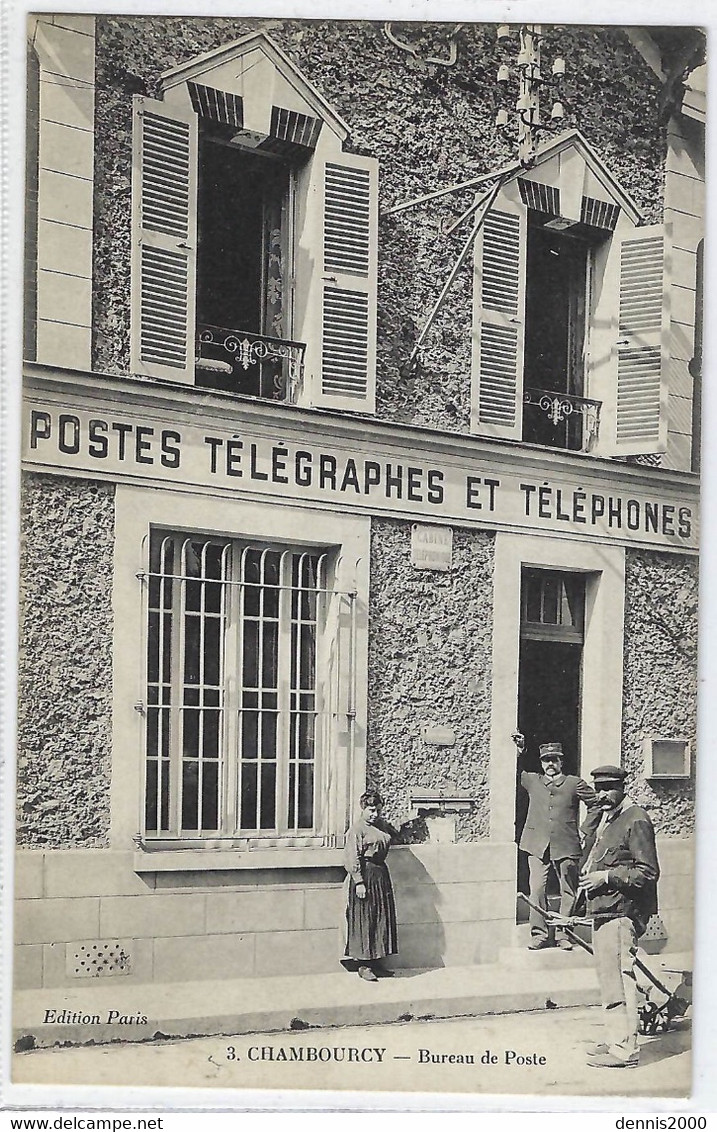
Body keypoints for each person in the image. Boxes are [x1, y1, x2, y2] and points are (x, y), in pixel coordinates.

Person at [578, 764, 660, 1069]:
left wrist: (607, 877)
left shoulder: (636, 819)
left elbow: (647, 873)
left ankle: (624, 1050)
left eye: (609, 788)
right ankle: (617, 1037)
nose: (602, 795)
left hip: (621, 911)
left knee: (619, 979)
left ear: (622, 788)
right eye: (598, 789)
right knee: (610, 979)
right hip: (604, 910)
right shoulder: (606, 819)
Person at [512, 732, 599, 950]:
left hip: (566, 843)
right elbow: (513, 769)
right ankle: (539, 934)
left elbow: (596, 804)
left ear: (561, 761)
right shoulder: (532, 780)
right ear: (541, 763)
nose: (550, 764)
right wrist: (519, 750)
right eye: (546, 760)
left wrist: (585, 830)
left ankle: (563, 934)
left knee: (568, 890)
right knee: (537, 889)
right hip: (536, 844)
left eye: (554, 759)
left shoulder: (574, 783)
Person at [342, 789, 405, 981]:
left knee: (381, 918)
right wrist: (359, 882)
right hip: (365, 874)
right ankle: (364, 965)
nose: (374, 814)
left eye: (377, 810)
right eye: (371, 810)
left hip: (380, 875)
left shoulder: (381, 827)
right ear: (363, 809)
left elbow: (394, 836)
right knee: (365, 919)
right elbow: (352, 857)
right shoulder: (357, 830)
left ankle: (377, 962)